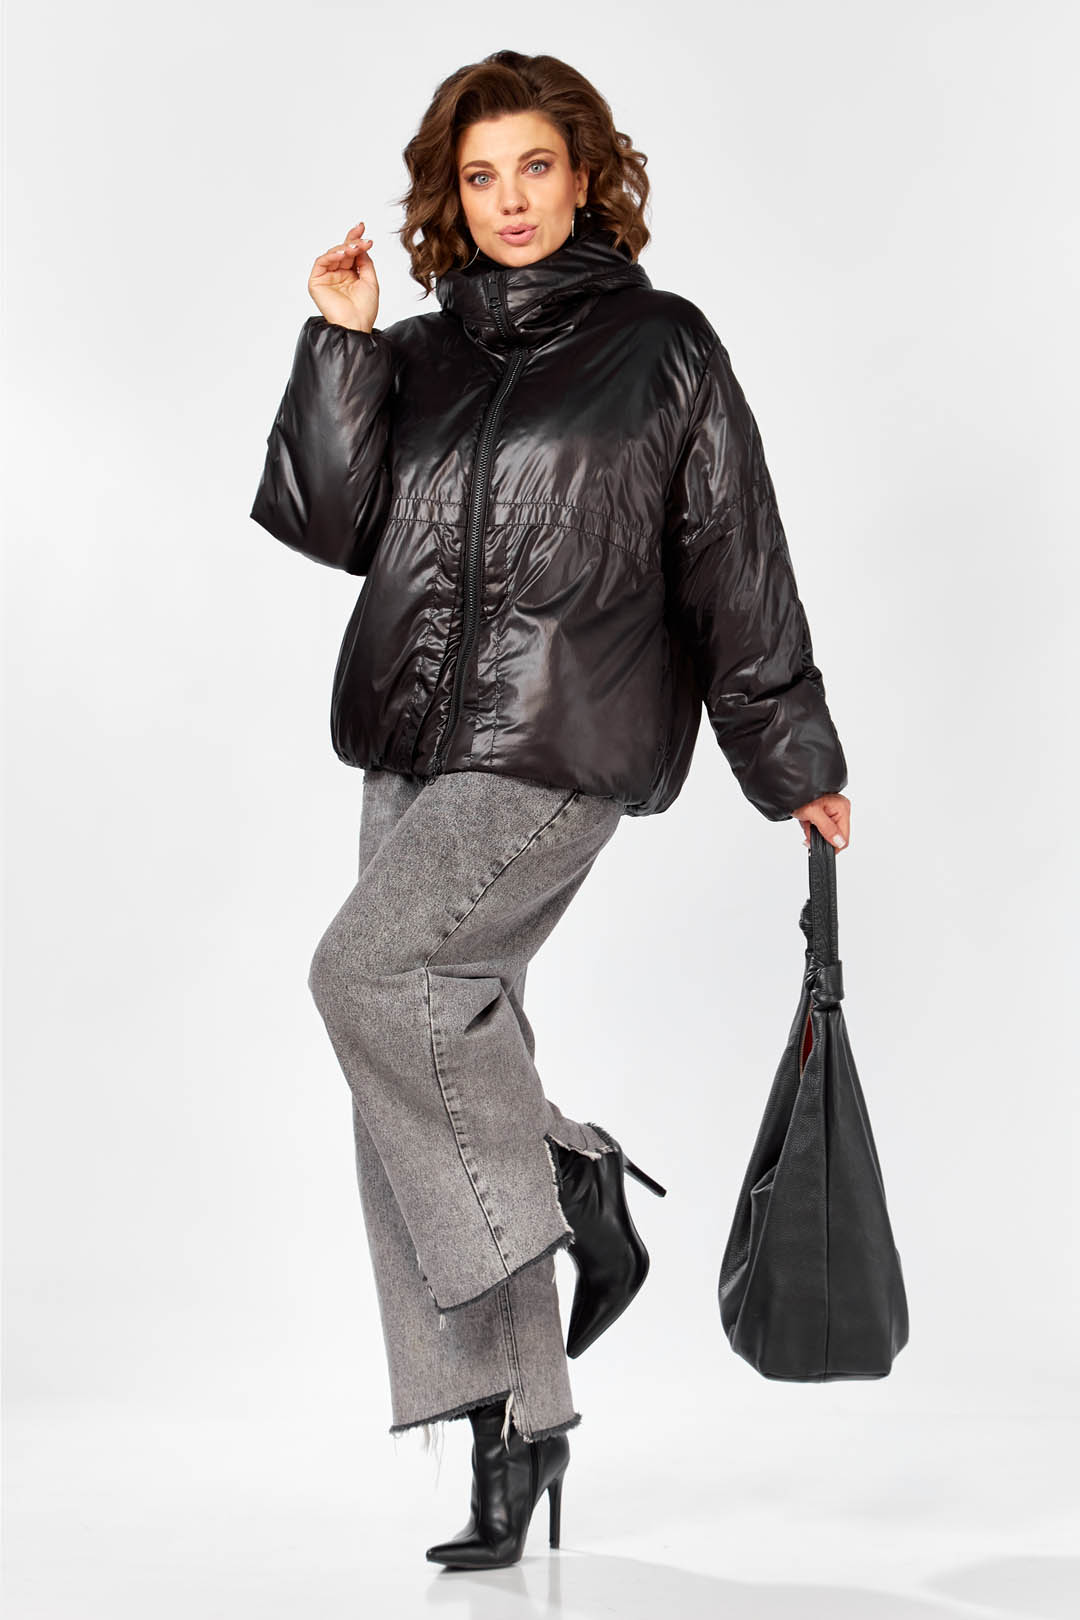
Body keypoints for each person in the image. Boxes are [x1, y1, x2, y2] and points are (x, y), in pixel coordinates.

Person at [249, 48, 852, 1572]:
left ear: (587, 176)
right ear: (449, 199)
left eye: (534, 167)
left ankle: (577, 1175)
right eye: (480, 177)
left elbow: (734, 556)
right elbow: (330, 524)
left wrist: (793, 757)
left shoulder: (662, 350)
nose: (509, 199)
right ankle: (517, 1430)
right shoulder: (422, 354)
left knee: (368, 982)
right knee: (430, 1072)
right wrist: (342, 345)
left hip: (557, 743)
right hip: (406, 745)